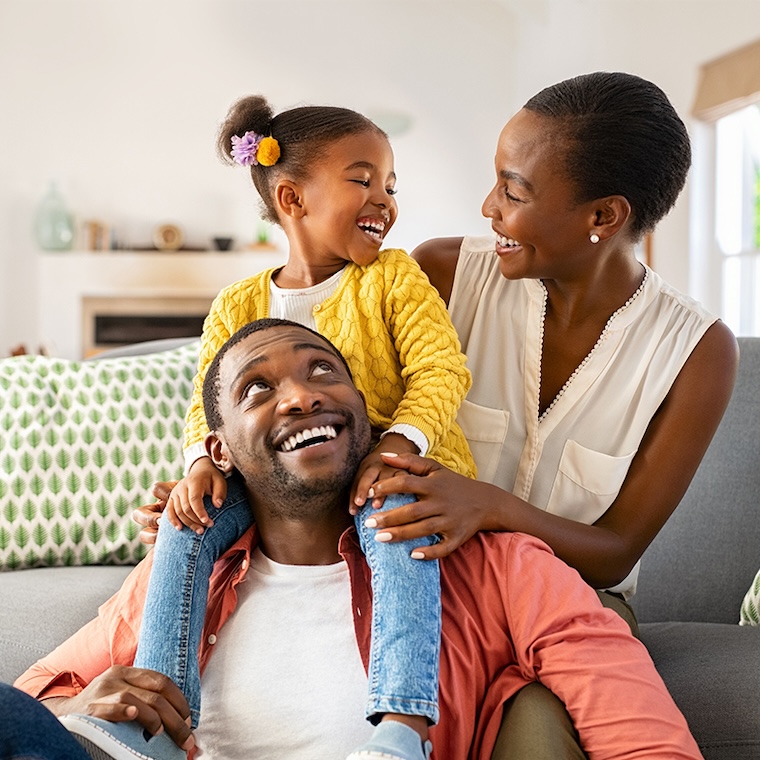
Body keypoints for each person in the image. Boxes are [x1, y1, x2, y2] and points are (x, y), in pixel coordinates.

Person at [11, 319, 705, 760]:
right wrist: (82, 702)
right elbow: (36, 696)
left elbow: (638, 729)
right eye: (258, 389)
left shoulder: (494, 564)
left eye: (322, 371)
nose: (300, 395)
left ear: (367, 420)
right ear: (217, 451)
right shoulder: (183, 578)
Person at [352, 71, 739, 757]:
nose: (487, 206)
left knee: (537, 729)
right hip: (430, 586)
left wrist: (490, 506)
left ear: (603, 217)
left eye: (514, 190)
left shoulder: (696, 352)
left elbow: (617, 549)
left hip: (577, 604)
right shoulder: (440, 277)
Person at [99, 95, 476, 760]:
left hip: (384, 468)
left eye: (391, 184)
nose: (384, 199)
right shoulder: (239, 302)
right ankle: (161, 718)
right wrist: (199, 467)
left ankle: (399, 726)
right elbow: (206, 401)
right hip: (275, 485)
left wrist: (395, 447)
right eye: (363, 179)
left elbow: (440, 371)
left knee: (394, 523)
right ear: (292, 199)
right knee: (183, 529)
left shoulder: (392, 278)